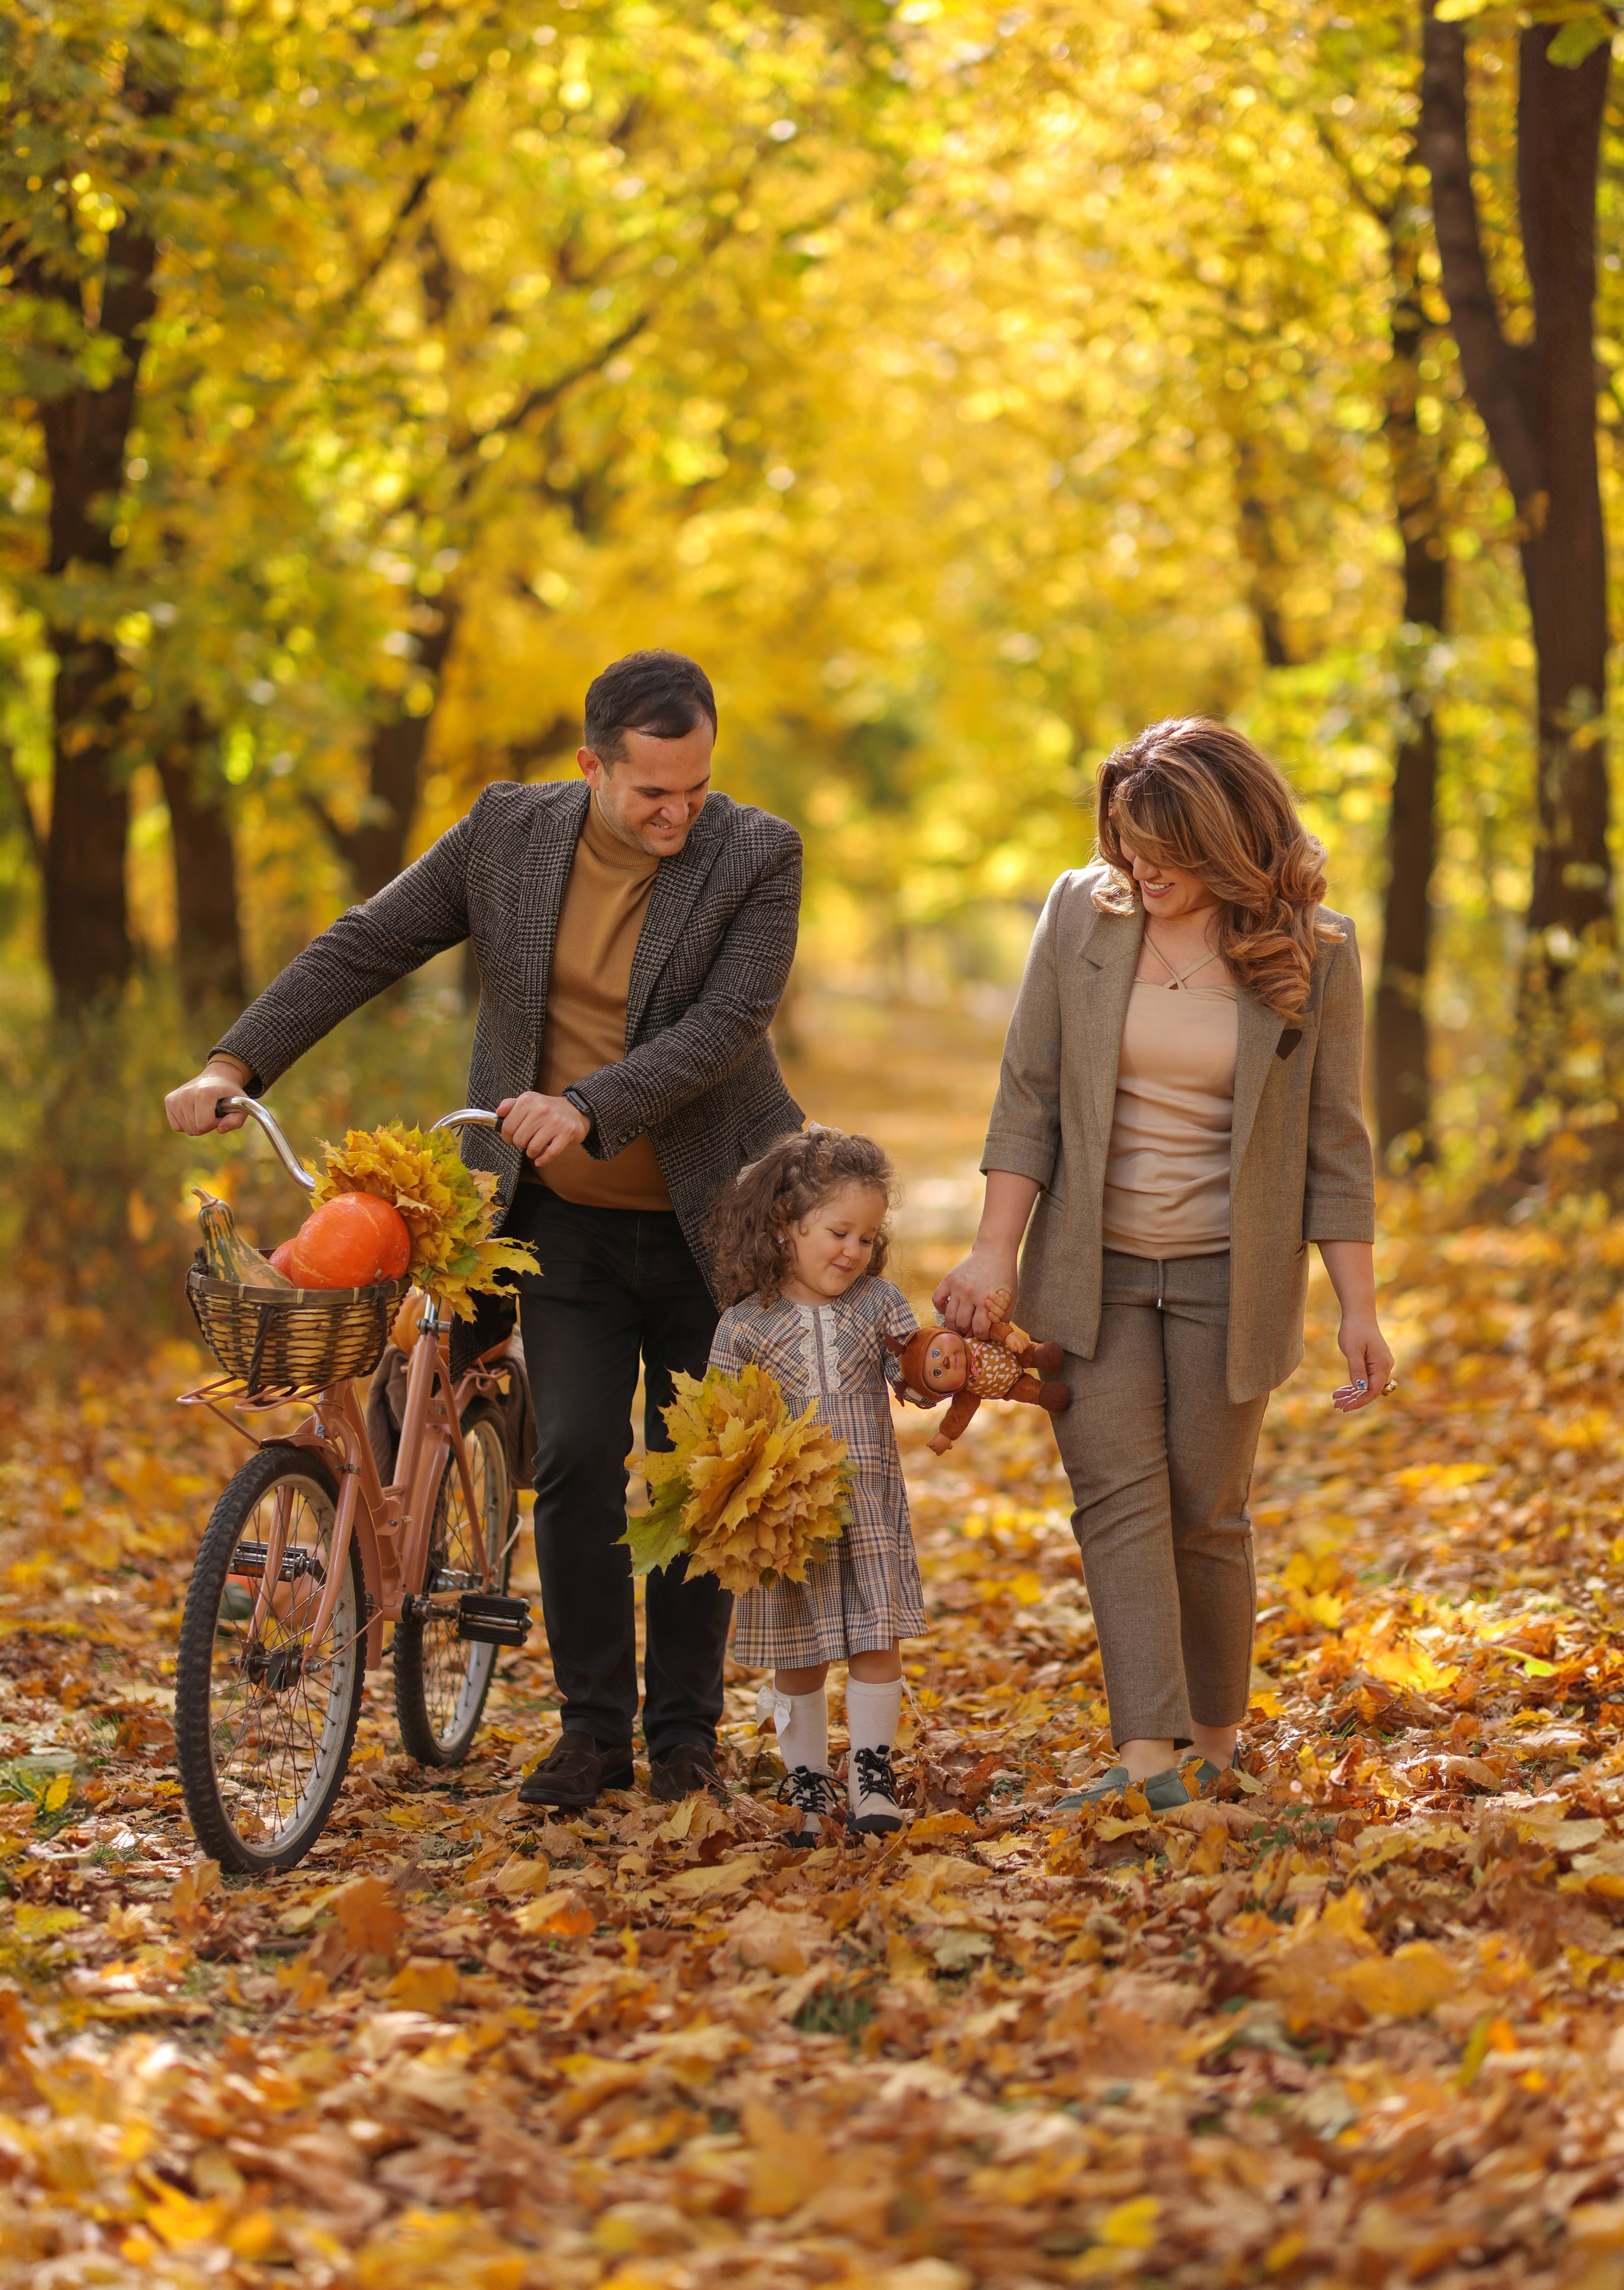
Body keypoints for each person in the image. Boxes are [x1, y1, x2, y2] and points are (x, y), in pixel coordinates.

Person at [166, 648, 804, 1810]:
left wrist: (590, 1103)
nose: (677, 813)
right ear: (591, 765)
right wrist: (233, 1059)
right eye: (651, 790)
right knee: (570, 1456)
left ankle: (685, 1734)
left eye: (695, 788)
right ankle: (594, 1728)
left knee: (697, 1470)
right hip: (553, 1214)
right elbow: (369, 941)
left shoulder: (756, 853)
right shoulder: (509, 834)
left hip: (714, 1211)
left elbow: (727, 1022)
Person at [934, 716, 1391, 1812]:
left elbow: (1335, 1138)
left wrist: (1359, 1306)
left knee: (1207, 1509)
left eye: (1165, 853)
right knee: (1116, 1496)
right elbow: (1030, 1091)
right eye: (1127, 846)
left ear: (1230, 841)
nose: (1141, 872)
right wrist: (996, 1247)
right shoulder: (1081, 915)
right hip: (1093, 1267)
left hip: (1232, 1276)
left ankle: (1216, 1747)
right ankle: (1149, 1760)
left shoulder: (1314, 948)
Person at [706, 1129, 925, 1844]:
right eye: (838, 1232)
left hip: (863, 1510)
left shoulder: (878, 1306)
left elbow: (914, 1377)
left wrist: (942, 1368)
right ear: (783, 1227)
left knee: (874, 1639)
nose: (853, 1251)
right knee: (797, 1655)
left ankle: (871, 1776)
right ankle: (806, 1789)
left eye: (866, 1237)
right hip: (788, 1524)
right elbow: (719, 1427)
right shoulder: (744, 1326)